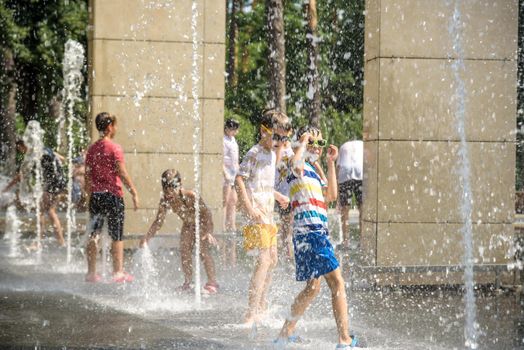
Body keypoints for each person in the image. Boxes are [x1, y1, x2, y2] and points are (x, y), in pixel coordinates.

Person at [275, 126, 360, 348]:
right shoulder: (291, 162)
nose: (318, 148)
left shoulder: (312, 168)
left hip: (310, 233)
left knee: (313, 288)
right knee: (337, 283)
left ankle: (284, 335)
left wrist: (331, 163)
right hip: (311, 231)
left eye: (321, 144)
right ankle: (344, 339)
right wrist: (303, 142)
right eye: (315, 142)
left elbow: (331, 195)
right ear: (301, 142)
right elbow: (295, 165)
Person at [235, 109, 290, 324]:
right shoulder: (255, 152)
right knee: (264, 260)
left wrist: (278, 196)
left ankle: (261, 304)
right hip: (257, 213)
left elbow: (261, 185)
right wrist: (248, 208)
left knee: (273, 260)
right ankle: (251, 311)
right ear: (263, 130)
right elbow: (239, 180)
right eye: (276, 137)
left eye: (284, 138)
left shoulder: (269, 155)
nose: (280, 142)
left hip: (268, 213)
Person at [139, 169, 219, 294]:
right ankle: (188, 282)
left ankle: (212, 282)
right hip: (188, 225)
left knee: (203, 251)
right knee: (184, 251)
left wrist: (208, 231)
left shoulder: (191, 196)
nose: (169, 194)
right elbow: (158, 222)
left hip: (202, 223)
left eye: (172, 191)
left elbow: (207, 213)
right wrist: (147, 237)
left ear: (180, 186)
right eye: (166, 191)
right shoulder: (165, 200)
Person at [84, 112, 139, 283]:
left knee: (94, 233)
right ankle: (118, 273)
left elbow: (87, 176)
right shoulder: (114, 148)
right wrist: (134, 192)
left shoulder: (92, 149)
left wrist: (88, 195)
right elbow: (121, 173)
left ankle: (91, 273)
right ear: (109, 127)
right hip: (113, 196)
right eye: (114, 126)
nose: (116, 129)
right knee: (117, 234)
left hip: (96, 196)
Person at [3, 140, 66, 247]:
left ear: (24, 145)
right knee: (47, 211)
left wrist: (6, 188)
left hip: (52, 184)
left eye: (20, 149)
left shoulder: (32, 154)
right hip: (59, 182)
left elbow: (21, 175)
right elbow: (62, 159)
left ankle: (42, 242)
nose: (21, 151)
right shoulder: (44, 148)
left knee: (45, 211)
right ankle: (58, 241)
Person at [336, 140, 363, 249]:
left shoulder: (343, 145)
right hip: (360, 171)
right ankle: (362, 240)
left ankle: (345, 241)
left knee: (345, 209)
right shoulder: (363, 144)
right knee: (362, 208)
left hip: (344, 173)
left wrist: (338, 196)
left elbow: (338, 167)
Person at [274, 121, 294, 262]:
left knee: (289, 223)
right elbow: (276, 162)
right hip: (278, 190)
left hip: (290, 190)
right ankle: (280, 251)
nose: (284, 133)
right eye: (281, 130)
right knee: (281, 223)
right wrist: (281, 145)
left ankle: (287, 251)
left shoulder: (292, 147)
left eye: (286, 130)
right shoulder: (275, 146)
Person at [223, 118, 240, 266]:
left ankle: (231, 227)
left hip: (234, 175)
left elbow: (236, 159)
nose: (233, 131)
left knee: (233, 203)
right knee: (225, 203)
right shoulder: (224, 140)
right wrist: (226, 175)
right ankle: (224, 230)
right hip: (226, 177)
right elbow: (220, 159)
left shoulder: (233, 140)